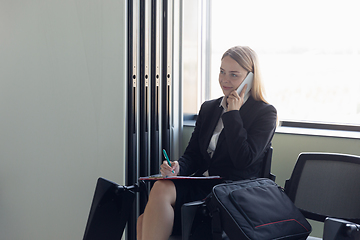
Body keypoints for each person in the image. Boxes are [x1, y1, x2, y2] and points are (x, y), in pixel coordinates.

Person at [136, 46, 277, 240]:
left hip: (232, 192)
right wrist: (178, 168)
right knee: (145, 214)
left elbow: (243, 160)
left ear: (250, 79)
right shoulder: (209, 108)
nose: (225, 80)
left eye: (234, 75)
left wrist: (233, 114)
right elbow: (193, 154)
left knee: (147, 215)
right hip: (204, 185)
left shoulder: (265, 113)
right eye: (222, 71)